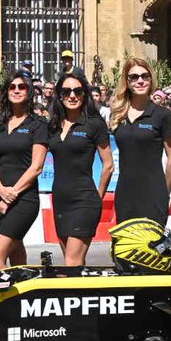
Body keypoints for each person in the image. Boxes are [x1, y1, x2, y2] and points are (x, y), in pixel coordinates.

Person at [0, 72, 49, 269]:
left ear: (29, 92)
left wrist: (10, 195)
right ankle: (21, 294)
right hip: (0, 196)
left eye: (22, 87)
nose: (17, 90)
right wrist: (0, 190)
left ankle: (2, 299)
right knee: (15, 252)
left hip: (23, 199)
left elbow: (36, 167)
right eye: (12, 87)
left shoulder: (37, 124)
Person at [48, 73, 112, 266]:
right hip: (60, 200)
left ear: (85, 94)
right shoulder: (52, 126)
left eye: (78, 91)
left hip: (84, 200)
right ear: (59, 95)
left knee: (71, 263)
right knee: (75, 264)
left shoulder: (94, 123)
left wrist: (97, 198)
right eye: (66, 91)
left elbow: (108, 165)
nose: (72, 96)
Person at [109, 58, 171, 229]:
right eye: (134, 77)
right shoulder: (118, 114)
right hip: (125, 194)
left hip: (153, 194)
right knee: (125, 251)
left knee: (150, 252)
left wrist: (163, 193)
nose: (140, 81)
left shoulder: (162, 115)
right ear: (127, 81)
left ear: (151, 79)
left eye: (145, 76)